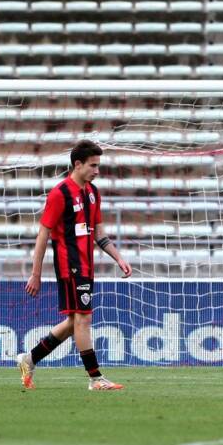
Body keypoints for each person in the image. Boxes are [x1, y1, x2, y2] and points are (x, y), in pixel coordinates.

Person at [17, 140, 132, 390]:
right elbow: (43, 235)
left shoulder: (93, 192)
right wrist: (35, 274)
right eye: (93, 165)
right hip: (70, 266)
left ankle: (30, 358)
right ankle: (95, 378)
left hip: (86, 266)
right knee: (83, 320)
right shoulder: (60, 193)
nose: (97, 170)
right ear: (77, 164)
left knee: (74, 323)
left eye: (99, 165)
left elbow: (99, 234)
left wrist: (119, 258)